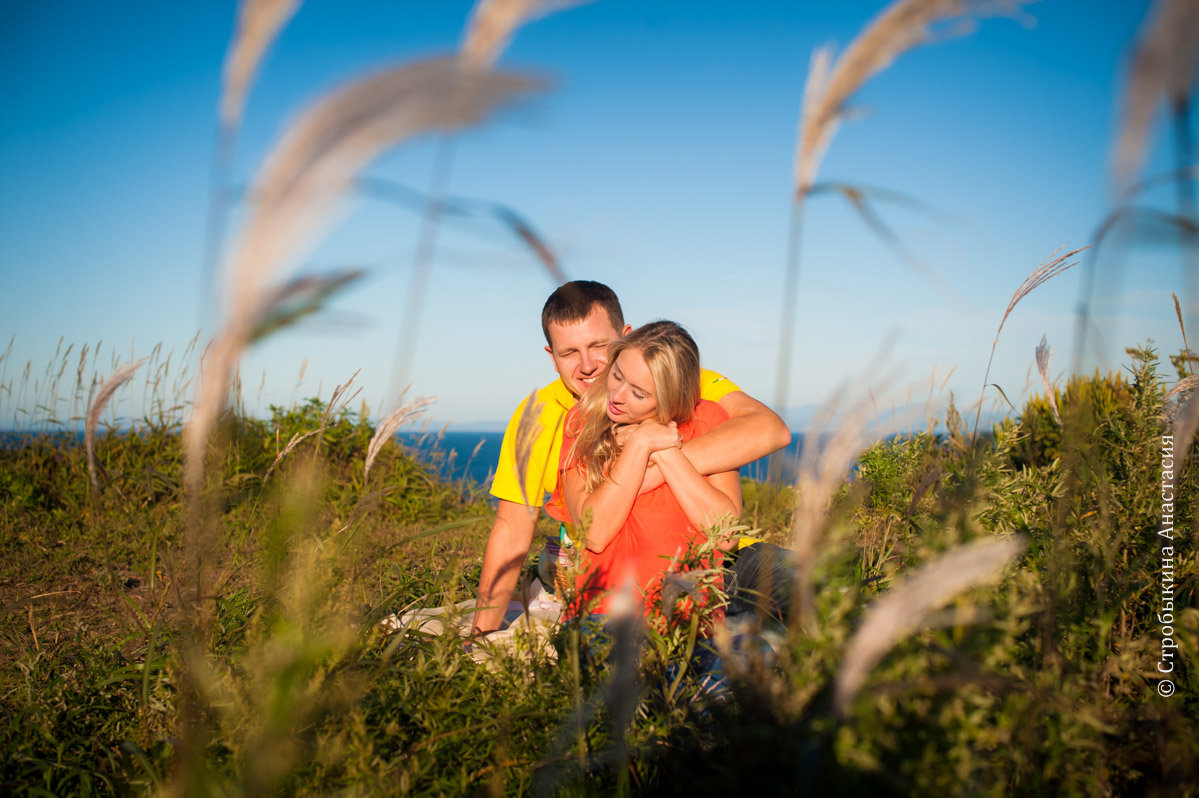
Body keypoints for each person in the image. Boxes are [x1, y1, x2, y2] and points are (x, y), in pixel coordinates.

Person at [471, 281, 790, 635]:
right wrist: (480, 633)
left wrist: (655, 462)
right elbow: (513, 528)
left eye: (599, 346)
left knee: (804, 585)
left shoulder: (675, 377)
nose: (588, 366)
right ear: (551, 356)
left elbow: (769, 429)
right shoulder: (545, 417)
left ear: (625, 338)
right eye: (569, 353)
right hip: (608, 569)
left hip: (713, 556)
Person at [557, 321, 740, 619]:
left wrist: (666, 451)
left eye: (639, 394)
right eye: (617, 375)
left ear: (671, 400)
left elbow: (726, 535)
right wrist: (640, 444)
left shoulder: (708, 419)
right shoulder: (581, 422)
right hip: (603, 616)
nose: (617, 395)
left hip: (691, 619)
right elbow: (594, 533)